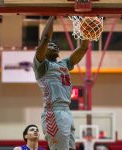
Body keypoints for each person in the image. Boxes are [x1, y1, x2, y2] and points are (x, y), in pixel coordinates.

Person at [33, 16, 89, 150]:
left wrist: (87, 28)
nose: (53, 46)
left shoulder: (64, 64)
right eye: (50, 45)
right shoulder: (41, 65)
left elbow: (83, 48)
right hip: (54, 112)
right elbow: (46, 38)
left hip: (66, 111)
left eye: (56, 45)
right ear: (42, 50)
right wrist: (53, 14)